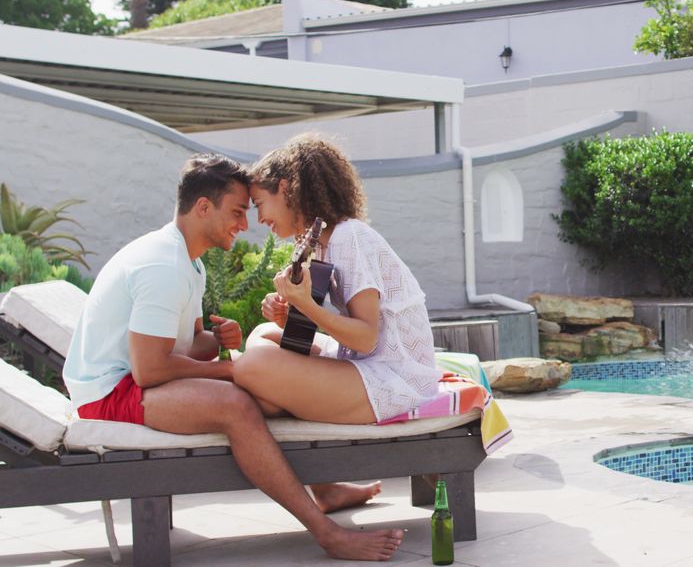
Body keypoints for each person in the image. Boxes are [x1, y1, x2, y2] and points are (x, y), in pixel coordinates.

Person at [62, 154, 403, 562]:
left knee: (266, 383)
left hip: (133, 381)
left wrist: (217, 340)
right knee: (237, 403)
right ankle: (326, 533)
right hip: (108, 395)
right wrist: (230, 368)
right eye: (238, 212)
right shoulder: (162, 265)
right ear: (203, 207)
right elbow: (150, 369)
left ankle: (326, 488)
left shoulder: (188, 263)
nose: (245, 225)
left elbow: (186, 346)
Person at [233, 132, 443, 446]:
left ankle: (263, 392)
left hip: (396, 379)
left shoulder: (348, 237)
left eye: (260, 205)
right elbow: (318, 336)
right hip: (361, 360)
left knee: (251, 365)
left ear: (286, 189)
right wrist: (289, 315)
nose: (261, 219)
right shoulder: (322, 242)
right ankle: (276, 397)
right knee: (263, 334)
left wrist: (307, 306)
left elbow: (365, 335)